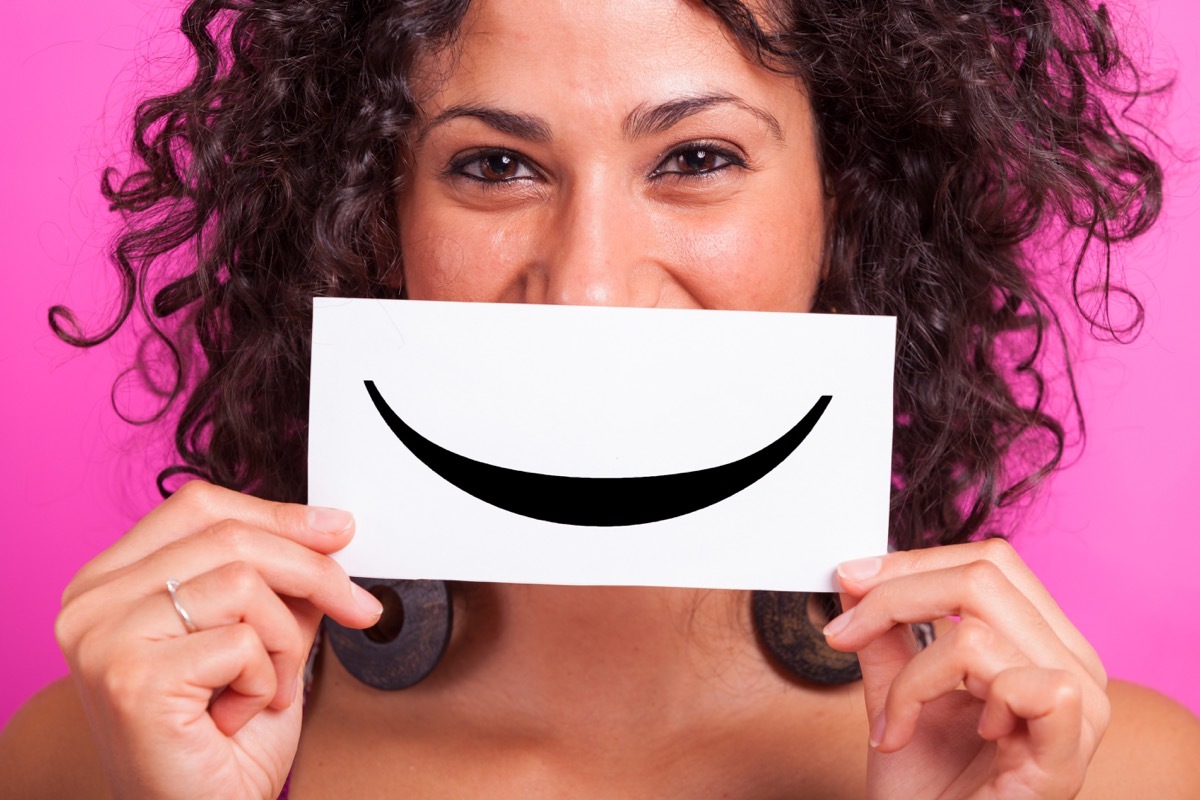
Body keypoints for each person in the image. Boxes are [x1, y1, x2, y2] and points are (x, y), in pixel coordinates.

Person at [2, 0, 1199, 797]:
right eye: (495, 165)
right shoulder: (100, 754)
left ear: (850, 204)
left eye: (696, 159)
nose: (586, 286)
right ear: (377, 222)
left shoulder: (1105, 768)